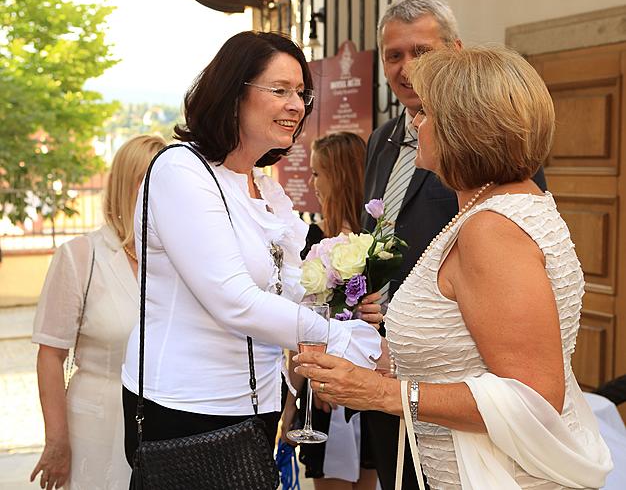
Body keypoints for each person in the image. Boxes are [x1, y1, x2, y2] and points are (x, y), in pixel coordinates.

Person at [294, 45, 613, 489]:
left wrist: (382, 394)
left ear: (464, 128)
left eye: (425, 112)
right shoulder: (502, 203)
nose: (416, 124)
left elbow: (534, 398)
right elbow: (468, 351)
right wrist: (376, 361)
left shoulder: (492, 229)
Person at [120, 31, 382, 469]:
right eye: (279, 90)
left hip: (257, 400)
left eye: (301, 92)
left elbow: (287, 286)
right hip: (190, 408)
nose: (296, 105)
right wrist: (342, 340)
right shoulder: (182, 171)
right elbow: (234, 300)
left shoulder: (260, 185)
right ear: (232, 94)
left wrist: (348, 306)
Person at [360, 0, 547, 488]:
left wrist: (408, 306)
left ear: (455, 51)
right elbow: (380, 232)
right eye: (393, 55)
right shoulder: (379, 141)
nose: (406, 69)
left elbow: (519, 255)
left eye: (421, 52)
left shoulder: (496, 148)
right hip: (384, 360)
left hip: (463, 380)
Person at [30, 134, 167, 490]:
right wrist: (57, 442)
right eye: (149, 180)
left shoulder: (179, 260)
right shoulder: (80, 257)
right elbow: (50, 355)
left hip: (166, 427)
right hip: (96, 425)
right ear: (125, 185)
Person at [281, 132, 379, 490]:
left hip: (369, 388)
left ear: (339, 177)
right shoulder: (314, 240)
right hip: (319, 388)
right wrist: (296, 397)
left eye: (318, 173)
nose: (313, 184)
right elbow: (301, 325)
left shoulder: (375, 247)